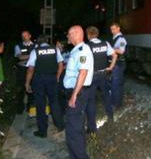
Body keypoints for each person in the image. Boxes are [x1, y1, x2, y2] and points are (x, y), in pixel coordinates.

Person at [25, 34, 65, 137]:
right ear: (47, 41)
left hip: (39, 80)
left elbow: (30, 69)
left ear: (38, 41)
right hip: (52, 78)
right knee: (54, 102)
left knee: (40, 105)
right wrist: (57, 76)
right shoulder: (55, 49)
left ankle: (42, 132)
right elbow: (61, 64)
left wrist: (27, 82)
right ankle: (60, 125)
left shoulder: (35, 51)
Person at [64, 25, 94, 159]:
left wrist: (74, 95)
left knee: (74, 130)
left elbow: (83, 72)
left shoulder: (83, 50)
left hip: (78, 94)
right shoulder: (76, 50)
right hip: (75, 92)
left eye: (69, 34)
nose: (68, 36)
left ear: (76, 34)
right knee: (73, 128)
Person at [85, 26, 118, 133]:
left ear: (89, 35)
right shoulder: (105, 43)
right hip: (104, 74)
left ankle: (92, 127)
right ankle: (111, 117)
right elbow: (114, 55)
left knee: (91, 101)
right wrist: (111, 67)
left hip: (92, 76)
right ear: (97, 34)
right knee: (106, 96)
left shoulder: (87, 46)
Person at [14, 30, 34, 114]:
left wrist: (27, 56)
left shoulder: (35, 45)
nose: (24, 37)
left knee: (32, 89)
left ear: (30, 36)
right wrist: (32, 55)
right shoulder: (18, 46)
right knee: (20, 89)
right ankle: (20, 108)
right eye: (22, 35)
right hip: (22, 70)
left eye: (26, 35)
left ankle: (30, 108)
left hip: (32, 69)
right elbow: (19, 57)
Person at [109, 22, 127, 108]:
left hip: (119, 64)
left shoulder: (121, 39)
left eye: (114, 29)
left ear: (118, 28)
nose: (112, 31)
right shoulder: (115, 38)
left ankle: (116, 103)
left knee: (116, 84)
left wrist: (111, 49)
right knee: (116, 84)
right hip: (116, 64)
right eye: (111, 29)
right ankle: (116, 102)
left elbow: (122, 51)